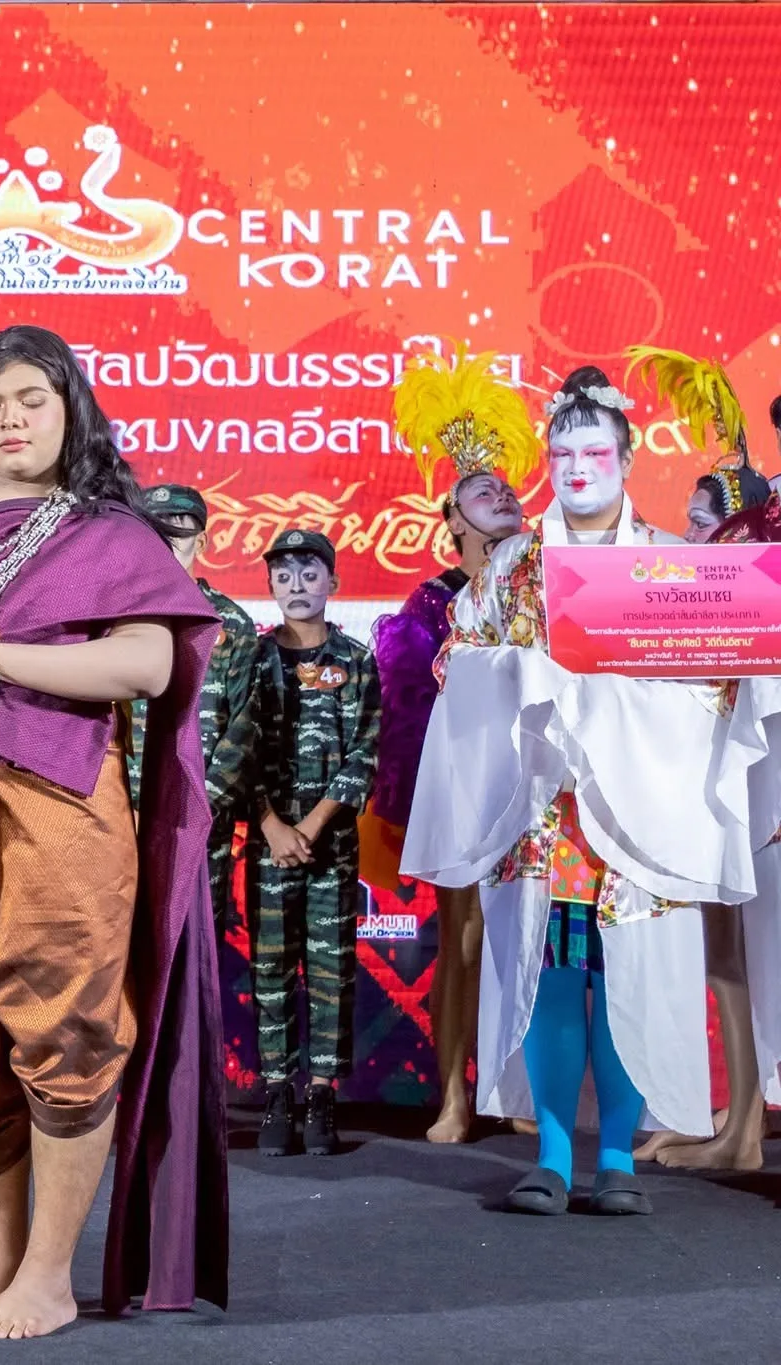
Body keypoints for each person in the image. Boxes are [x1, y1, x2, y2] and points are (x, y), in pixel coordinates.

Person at [0, 325, 227, 1338]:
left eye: (31, 400)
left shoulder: (109, 532)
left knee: (66, 1028)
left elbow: (145, 666)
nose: (9, 419)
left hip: (57, 803)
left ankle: (49, 1275)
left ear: (69, 410)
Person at [404, 364, 781, 1217]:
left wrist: (631, 696)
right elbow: (456, 661)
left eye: (595, 452)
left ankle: (615, 1155)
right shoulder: (511, 566)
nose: (578, 468)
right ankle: (551, 1154)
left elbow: (718, 683)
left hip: (641, 810)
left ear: (627, 457)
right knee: (548, 971)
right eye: (563, 453)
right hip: (543, 810)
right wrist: (521, 672)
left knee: (627, 979)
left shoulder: (672, 563)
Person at [375, 350, 533, 1143]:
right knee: (464, 939)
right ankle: (453, 1099)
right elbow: (409, 716)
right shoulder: (432, 602)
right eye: (481, 491)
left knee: (531, 940)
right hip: (467, 785)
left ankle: (524, 1095)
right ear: (455, 522)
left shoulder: (546, 581)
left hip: (535, 786)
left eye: (506, 487)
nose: (500, 493)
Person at [628, 347, 777, 1172]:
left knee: (752, 947)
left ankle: (746, 1127)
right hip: (715, 782)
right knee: (722, 946)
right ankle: (736, 1116)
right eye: (688, 520)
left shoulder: (755, 574)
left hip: (760, 785)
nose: (690, 534)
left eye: (702, 521)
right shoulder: (700, 591)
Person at [235, 529, 381, 1157]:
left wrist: (312, 826)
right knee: (270, 966)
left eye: (310, 573)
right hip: (268, 841)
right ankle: (276, 1093)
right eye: (284, 575)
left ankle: (321, 1094)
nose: (297, 585)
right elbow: (235, 751)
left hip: (331, 843)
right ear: (270, 586)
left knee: (330, 968)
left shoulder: (357, 660)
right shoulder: (251, 658)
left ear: (333, 583)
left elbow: (364, 754)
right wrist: (271, 826)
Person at [137, 484, 259, 930]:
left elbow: (245, 726)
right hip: (124, 815)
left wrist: (196, 804)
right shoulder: (117, 617)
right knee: (122, 941)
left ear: (202, 542)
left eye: (179, 532)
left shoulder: (231, 623)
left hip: (200, 819)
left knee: (195, 940)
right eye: (155, 532)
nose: (167, 543)